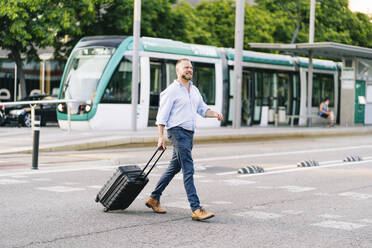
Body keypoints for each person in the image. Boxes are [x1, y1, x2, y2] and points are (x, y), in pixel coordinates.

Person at [145, 58, 223, 221]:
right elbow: (162, 116)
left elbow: (202, 109)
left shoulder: (194, 90)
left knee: (174, 167)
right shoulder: (172, 90)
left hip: (189, 134)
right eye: (186, 67)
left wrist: (214, 114)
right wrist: (161, 137)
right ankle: (196, 208)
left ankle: (153, 198)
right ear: (178, 71)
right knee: (188, 168)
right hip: (177, 132)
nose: (189, 70)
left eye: (191, 68)